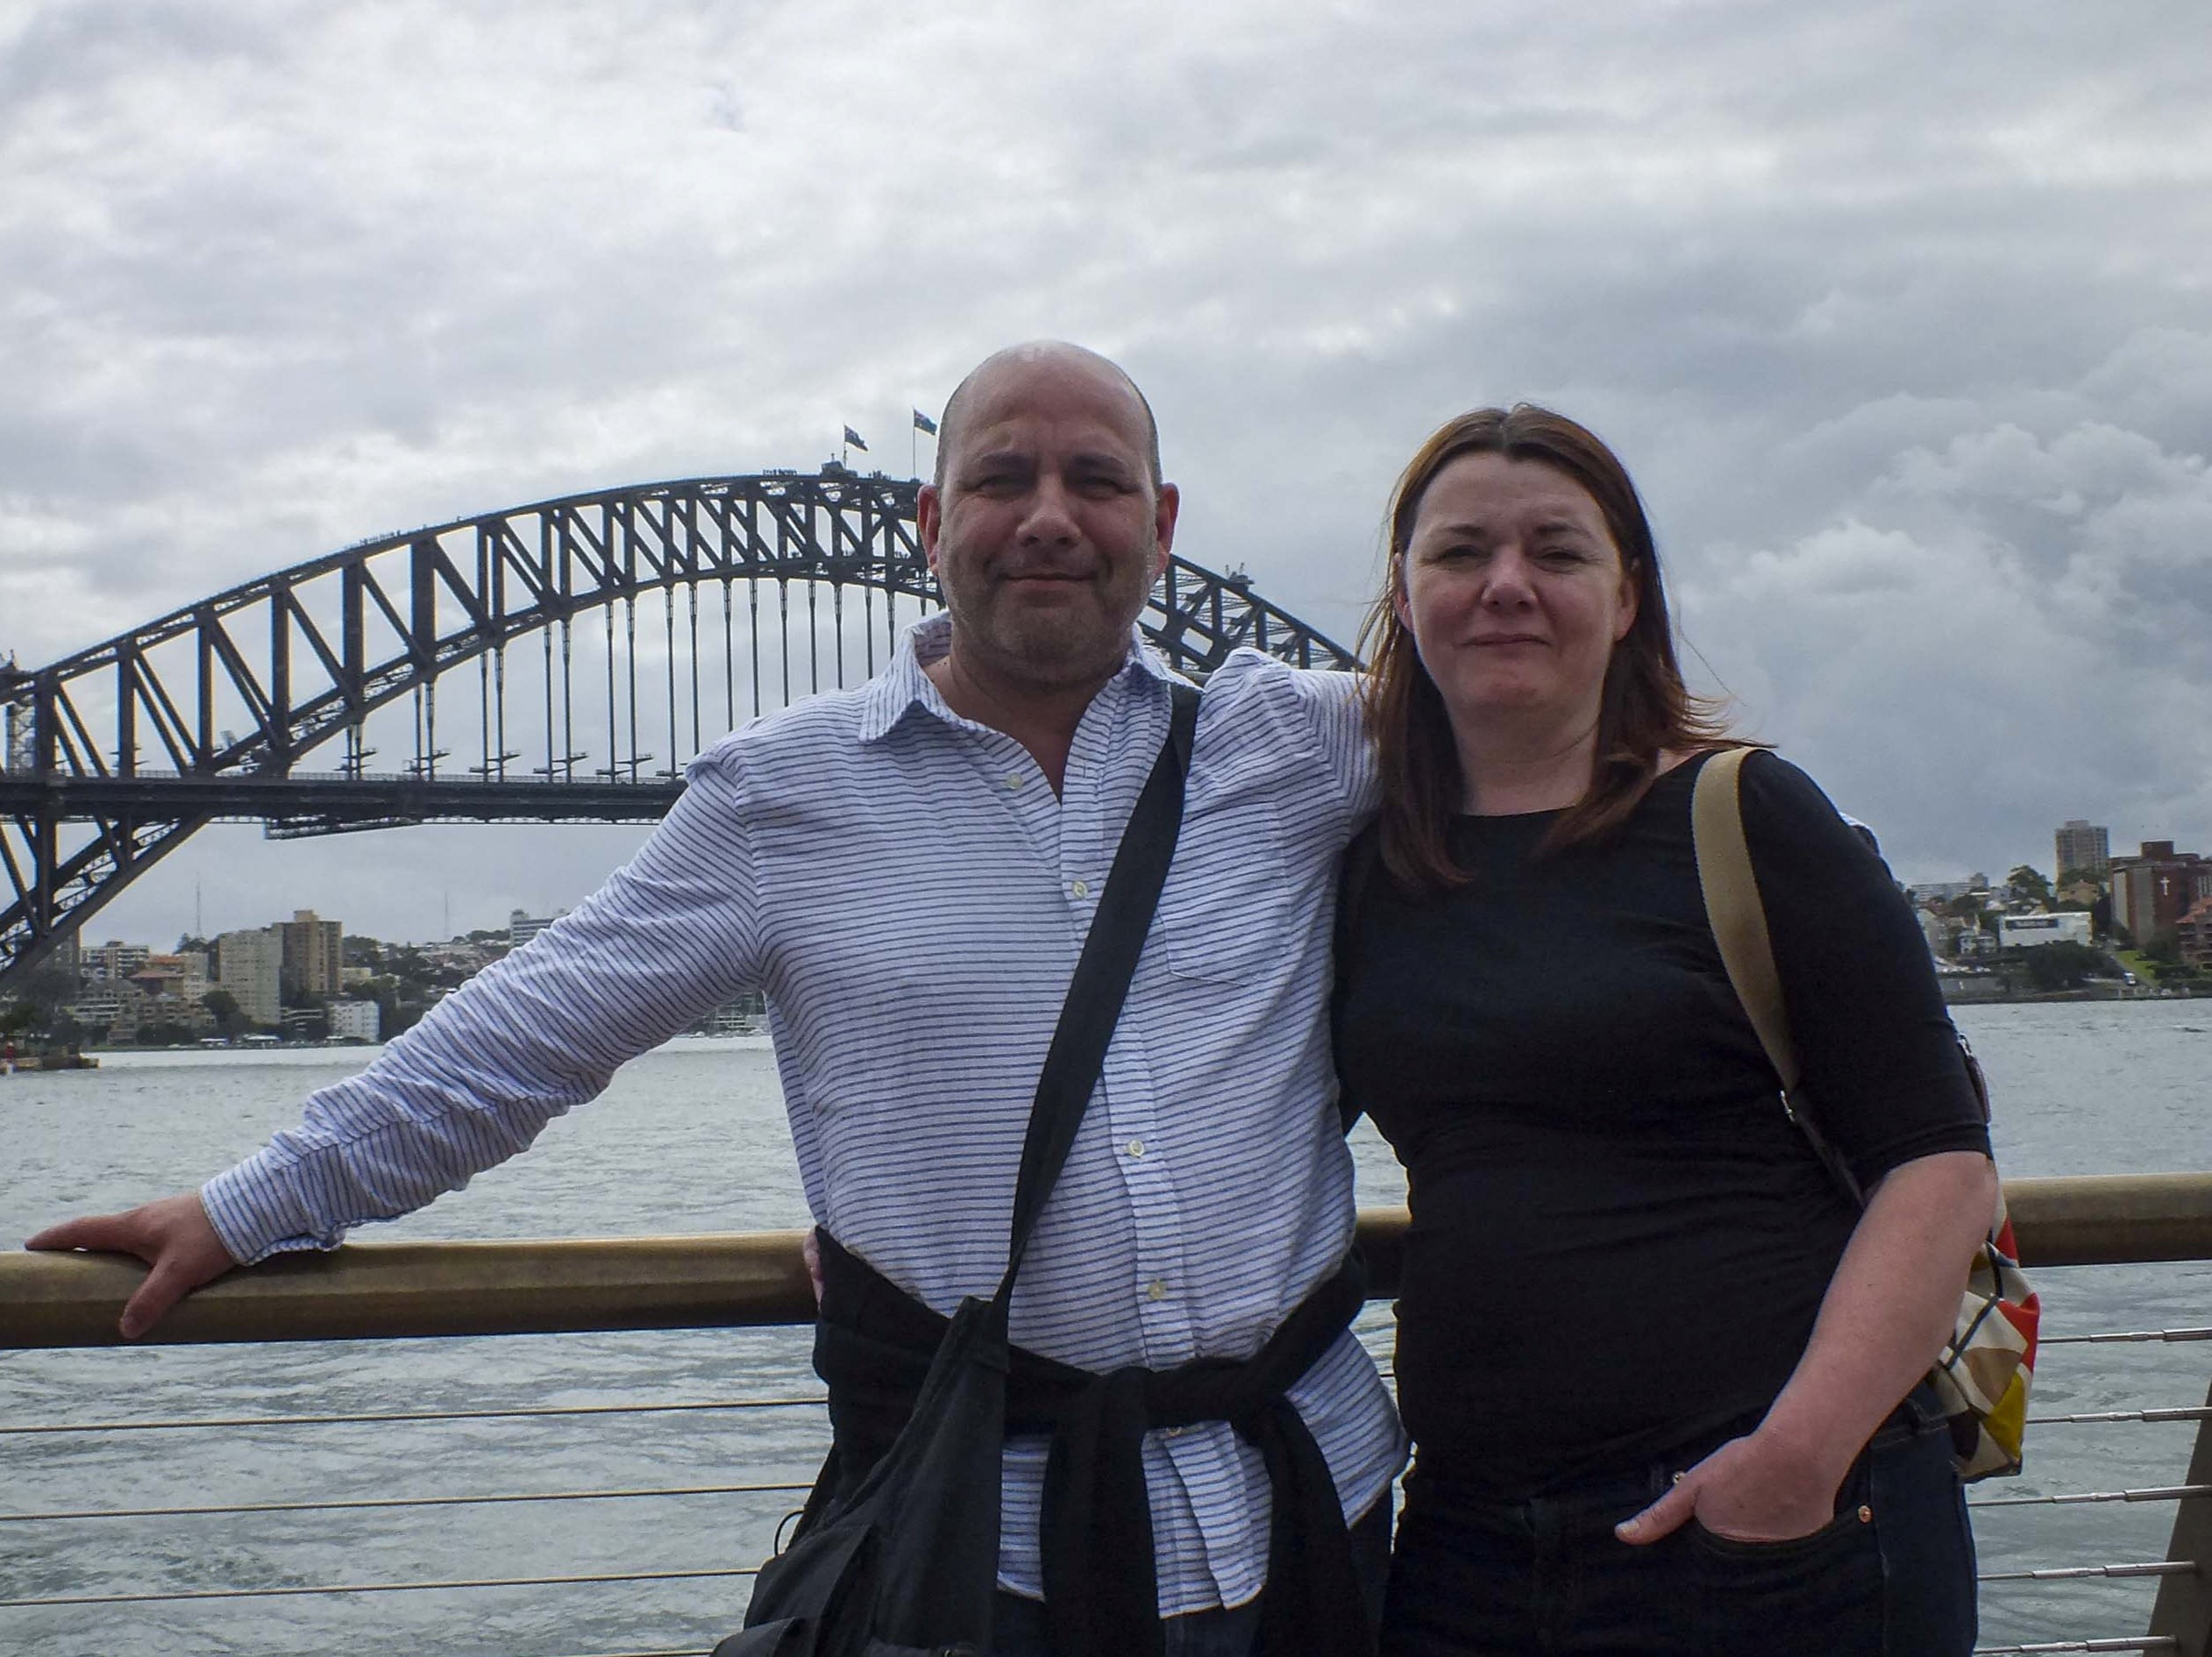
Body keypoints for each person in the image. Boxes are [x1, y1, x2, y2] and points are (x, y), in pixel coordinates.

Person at [27, 342, 1402, 1656]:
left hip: (1320, 1513)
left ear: (1161, 522)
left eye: (1095, 481)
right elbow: (529, 1033)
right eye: (1003, 478)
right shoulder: (780, 795)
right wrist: (249, 1203)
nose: (1050, 516)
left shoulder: (1294, 743)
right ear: (933, 518)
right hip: (983, 1560)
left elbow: (1576, 768)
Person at [1330, 404, 1998, 1656]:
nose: (1508, 586)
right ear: (1407, 595)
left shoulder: (1747, 816)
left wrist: (1791, 1463)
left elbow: (1941, 1163)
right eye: (1462, 553)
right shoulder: (1372, 869)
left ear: (1627, 598)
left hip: (1774, 1528)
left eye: (1558, 553)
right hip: (1470, 1538)